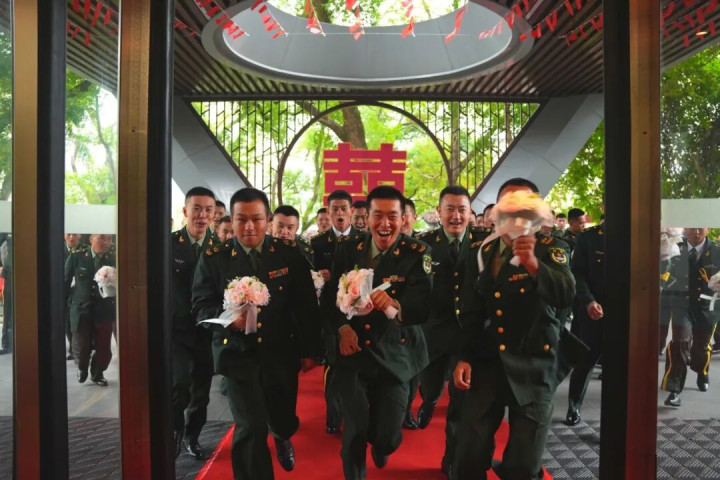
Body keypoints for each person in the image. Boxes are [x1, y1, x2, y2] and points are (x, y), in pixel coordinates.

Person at [453, 177, 586, 480]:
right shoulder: (482, 250)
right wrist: (464, 356)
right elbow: (471, 310)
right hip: (488, 360)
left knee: (524, 464)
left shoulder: (552, 248)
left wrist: (533, 264)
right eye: (508, 205)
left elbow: (566, 293)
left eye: (524, 206)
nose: (515, 213)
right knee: (470, 452)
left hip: (535, 363)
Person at [192, 187, 321, 479]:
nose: (249, 226)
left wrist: (310, 351)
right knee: (250, 426)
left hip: (280, 352)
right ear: (231, 219)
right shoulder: (214, 257)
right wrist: (229, 319)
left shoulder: (288, 254)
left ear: (268, 219)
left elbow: (305, 307)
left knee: (282, 418)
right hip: (237, 354)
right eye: (241, 219)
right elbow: (200, 307)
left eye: (257, 219)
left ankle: (282, 434)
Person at [322, 185, 432, 480]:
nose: (385, 224)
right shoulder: (348, 249)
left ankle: (383, 444)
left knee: (387, 437)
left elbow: (423, 305)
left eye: (392, 216)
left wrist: (395, 304)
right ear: (366, 217)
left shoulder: (417, 253)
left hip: (395, 354)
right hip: (354, 353)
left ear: (403, 218)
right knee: (354, 432)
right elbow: (330, 299)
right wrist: (343, 327)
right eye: (377, 216)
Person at [415, 185, 492, 476]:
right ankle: (429, 401)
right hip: (434, 334)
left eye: (462, 209)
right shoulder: (423, 245)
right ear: (439, 212)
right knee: (431, 388)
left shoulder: (484, 244)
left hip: (468, 337)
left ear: (470, 213)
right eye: (450, 209)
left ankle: (451, 458)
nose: (456, 216)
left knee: (461, 404)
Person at [171, 187, 218, 459]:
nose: (202, 215)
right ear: (185, 211)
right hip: (176, 330)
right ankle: (175, 430)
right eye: (196, 209)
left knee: (201, 391)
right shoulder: (169, 243)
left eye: (208, 210)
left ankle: (192, 436)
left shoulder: (220, 247)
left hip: (206, 331)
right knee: (178, 384)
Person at [312, 190, 363, 434]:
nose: (340, 213)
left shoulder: (363, 239)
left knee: (355, 365)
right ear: (328, 212)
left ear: (352, 211)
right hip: (330, 311)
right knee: (333, 365)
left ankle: (354, 413)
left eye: (344, 208)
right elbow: (309, 276)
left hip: (356, 312)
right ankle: (333, 416)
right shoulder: (318, 243)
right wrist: (317, 277)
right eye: (335, 209)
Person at [661, 228, 720, 407]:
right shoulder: (674, 248)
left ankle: (702, 371)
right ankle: (674, 390)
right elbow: (662, 272)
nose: (696, 231)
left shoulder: (717, 250)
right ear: (685, 229)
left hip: (707, 307)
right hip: (682, 304)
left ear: (707, 229)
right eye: (692, 227)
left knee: (701, 347)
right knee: (679, 343)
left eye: (701, 227)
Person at [565, 220, 604, 426]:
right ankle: (574, 406)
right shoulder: (588, 238)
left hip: (624, 310)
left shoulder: (634, 236)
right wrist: (588, 301)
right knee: (586, 359)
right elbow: (577, 273)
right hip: (593, 309)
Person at [64, 233, 116, 387]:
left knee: (104, 346)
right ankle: (82, 367)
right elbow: (65, 281)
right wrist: (68, 303)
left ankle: (98, 372)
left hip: (104, 308)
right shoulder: (77, 256)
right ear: (91, 239)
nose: (106, 242)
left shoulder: (113, 258)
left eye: (109, 239)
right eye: (102, 238)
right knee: (81, 344)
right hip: (81, 308)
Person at [64, 233, 83, 360]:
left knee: (75, 321)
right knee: (66, 321)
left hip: (78, 291)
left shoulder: (84, 251)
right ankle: (73, 347)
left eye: (74, 235)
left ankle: (75, 349)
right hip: (62, 290)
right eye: (69, 234)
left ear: (79, 236)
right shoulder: (57, 249)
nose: (71, 237)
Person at [0, 235, 12, 355]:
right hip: (9, 277)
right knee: (7, 311)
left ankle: (7, 343)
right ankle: (6, 343)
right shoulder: (5, 239)